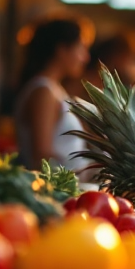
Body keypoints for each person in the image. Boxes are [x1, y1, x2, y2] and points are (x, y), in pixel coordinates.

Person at [13, 18, 90, 173]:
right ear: (62, 50)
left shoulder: (53, 88)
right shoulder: (43, 92)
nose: (85, 57)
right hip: (56, 191)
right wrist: (83, 173)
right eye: (81, 48)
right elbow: (41, 156)